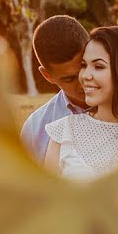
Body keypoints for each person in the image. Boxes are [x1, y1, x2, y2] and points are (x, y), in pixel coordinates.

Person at [44, 25, 118, 181]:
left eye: (98, 66)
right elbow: (48, 200)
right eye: (84, 65)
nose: (86, 75)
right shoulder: (63, 132)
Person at [20, 15, 91, 163]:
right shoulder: (35, 129)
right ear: (47, 75)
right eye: (69, 79)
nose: (82, 83)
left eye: (84, 68)